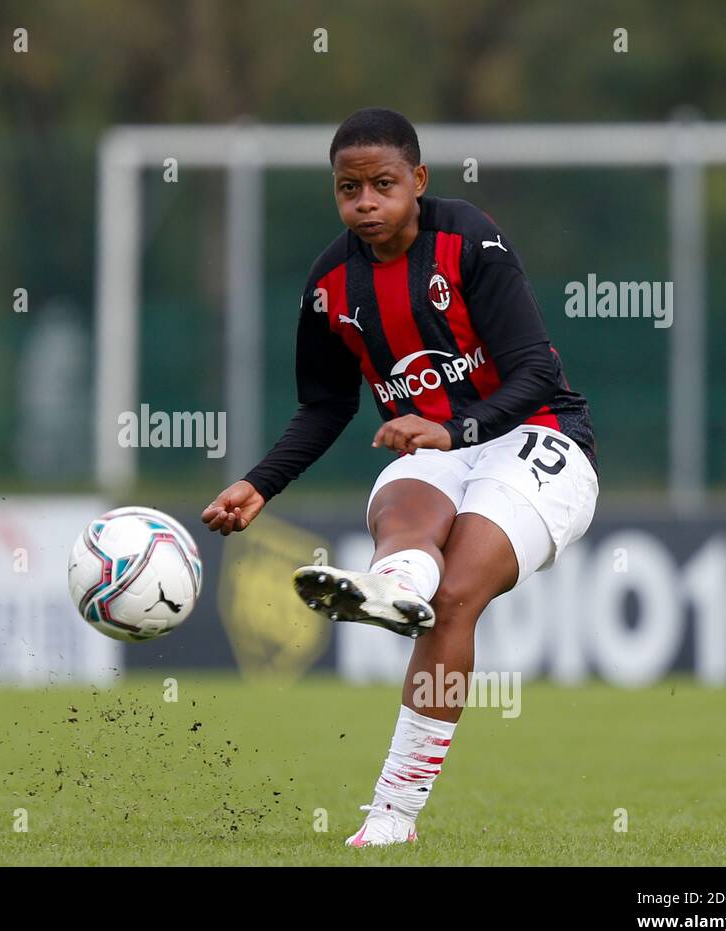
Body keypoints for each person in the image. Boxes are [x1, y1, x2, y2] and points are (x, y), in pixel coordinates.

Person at [199, 107, 599, 847]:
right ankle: (394, 587)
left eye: (383, 184)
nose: (366, 203)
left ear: (417, 179)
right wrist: (261, 483)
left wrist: (454, 428)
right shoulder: (330, 284)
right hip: (436, 446)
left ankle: (393, 813)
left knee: (456, 597)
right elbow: (325, 405)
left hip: (540, 435)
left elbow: (536, 370)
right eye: (348, 189)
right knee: (410, 519)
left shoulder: (468, 239)